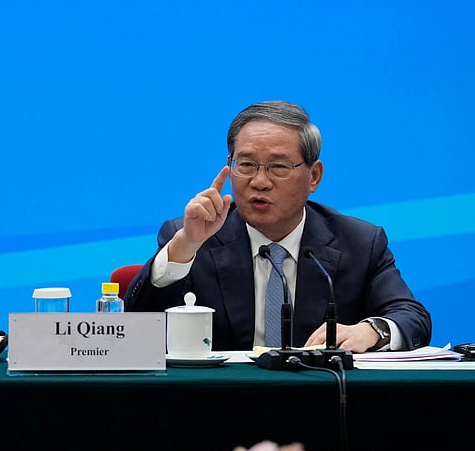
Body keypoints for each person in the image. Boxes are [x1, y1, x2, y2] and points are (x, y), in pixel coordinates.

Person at [124, 100, 430, 353]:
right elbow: (138, 325)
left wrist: (371, 331)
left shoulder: (359, 242)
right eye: (245, 165)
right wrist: (186, 245)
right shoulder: (192, 236)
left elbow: (412, 317)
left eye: (278, 167)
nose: (259, 181)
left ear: (314, 177)